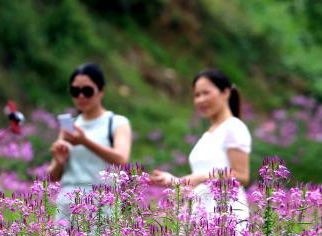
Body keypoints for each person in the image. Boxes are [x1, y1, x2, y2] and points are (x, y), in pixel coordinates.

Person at [150, 69, 252, 222]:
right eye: (197, 95)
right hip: (200, 211)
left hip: (226, 214)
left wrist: (201, 177)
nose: (200, 100)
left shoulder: (234, 127)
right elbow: (199, 182)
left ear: (225, 93)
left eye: (206, 93)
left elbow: (241, 175)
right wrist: (174, 181)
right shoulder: (208, 134)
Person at [48, 63, 132, 220]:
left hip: (101, 204)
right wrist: (59, 162)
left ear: (101, 91)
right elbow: (52, 177)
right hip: (67, 205)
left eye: (87, 91)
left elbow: (121, 159)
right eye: (75, 91)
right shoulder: (70, 126)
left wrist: (85, 142)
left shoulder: (116, 123)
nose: (81, 96)